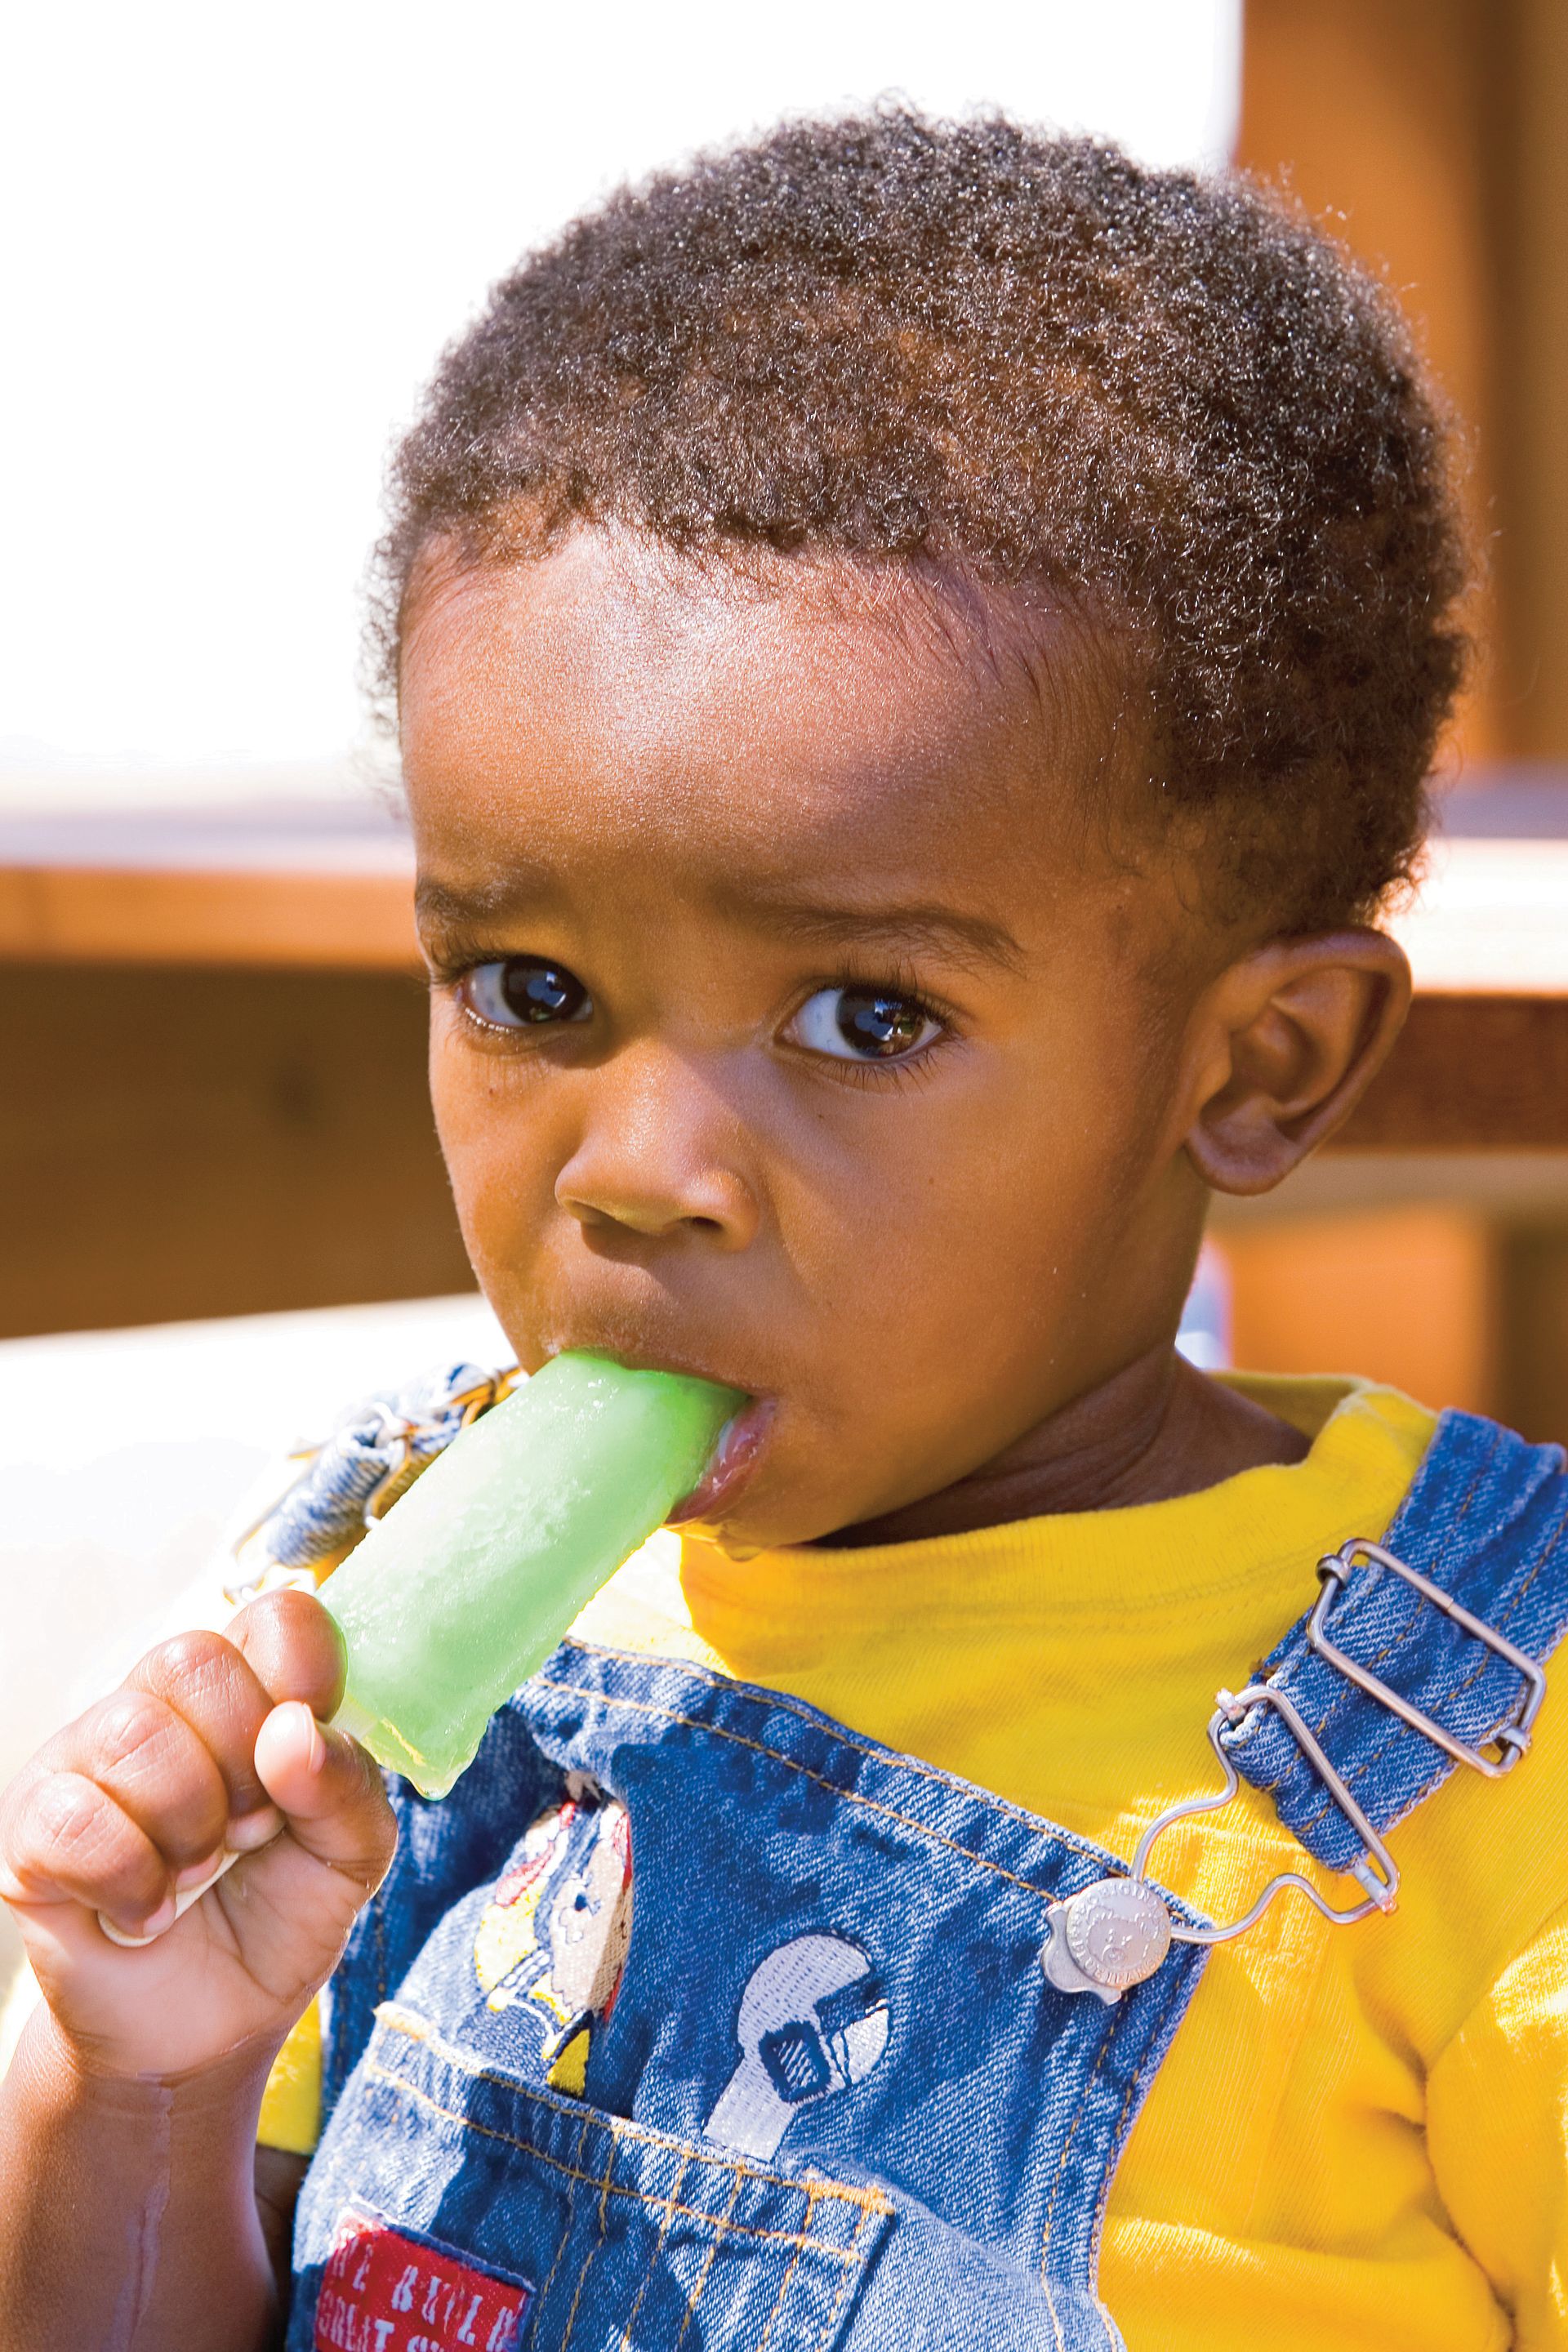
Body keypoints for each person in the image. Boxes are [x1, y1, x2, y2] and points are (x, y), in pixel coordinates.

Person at [2, 109, 1563, 2352]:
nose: (637, 1166)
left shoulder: (1488, 1767)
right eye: (532, 991)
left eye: (864, 1016)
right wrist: (135, 2077)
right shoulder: (347, 1630)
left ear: (1250, 1070)